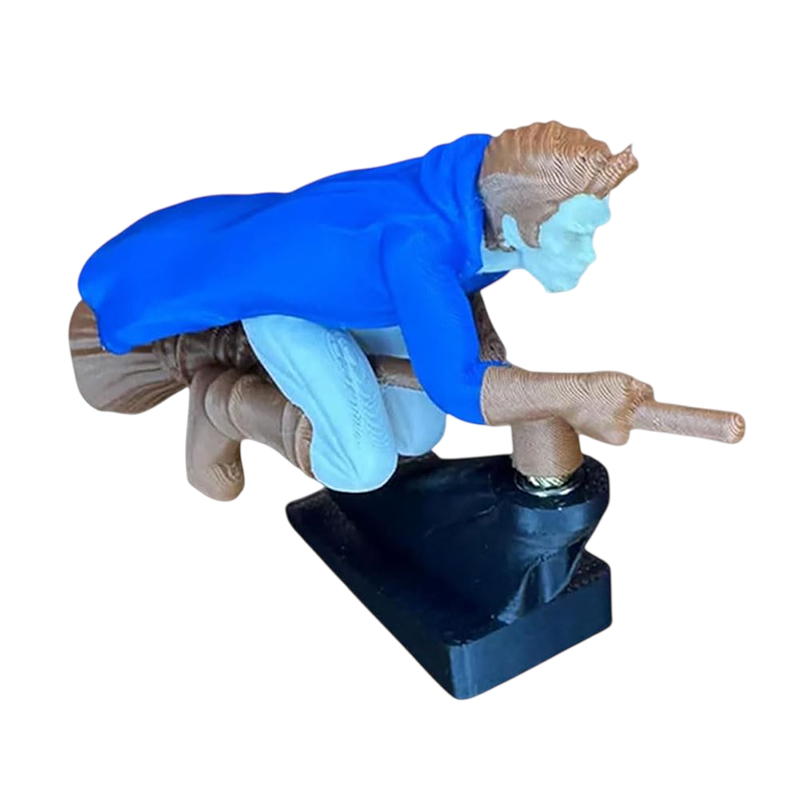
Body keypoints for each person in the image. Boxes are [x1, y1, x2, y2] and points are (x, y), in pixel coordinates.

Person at [72, 121, 641, 496]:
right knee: (362, 466)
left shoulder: (490, 204)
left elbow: (466, 285)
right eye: (575, 236)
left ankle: (299, 389)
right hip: (290, 305)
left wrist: (492, 352)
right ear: (518, 225)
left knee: (417, 436)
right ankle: (224, 404)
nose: (588, 254)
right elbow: (459, 387)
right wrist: (576, 392)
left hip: (366, 297)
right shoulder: (420, 245)